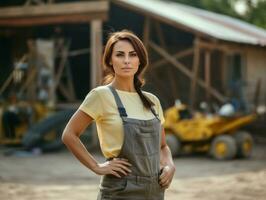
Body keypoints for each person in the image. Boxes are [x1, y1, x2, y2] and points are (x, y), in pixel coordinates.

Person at [62, 30, 175, 200]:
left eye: (133, 55)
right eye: (120, 55)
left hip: (154, 191)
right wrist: (97, 166)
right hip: (120, 190)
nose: (127, 61)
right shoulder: (101, 95)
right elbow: (69, 135)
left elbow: (162, 146)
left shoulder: (152, 101)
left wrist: (170, 165)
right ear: (110, 60)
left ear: (140, 61)